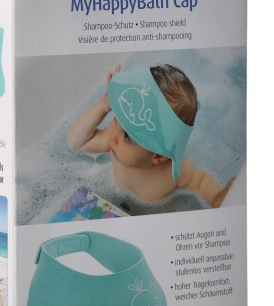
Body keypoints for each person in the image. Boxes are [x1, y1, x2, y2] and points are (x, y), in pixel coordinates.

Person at [67, 64, 234, 207]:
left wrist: (216, 198)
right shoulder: (114, 142)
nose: (113, 134)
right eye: (117, 118)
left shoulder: (173, 172)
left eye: (127, 137)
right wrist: (104, 105)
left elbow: (201, 180)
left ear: (158, 156)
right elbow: (75, 143)